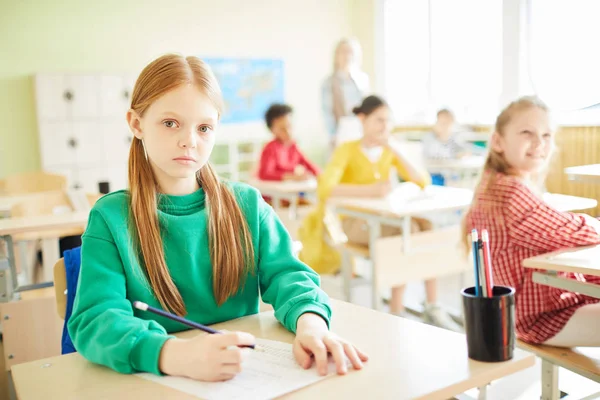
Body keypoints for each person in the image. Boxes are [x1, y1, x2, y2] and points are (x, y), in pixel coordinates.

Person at [68, 54, 368, 382]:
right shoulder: (111, 217)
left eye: (204, 127)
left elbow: (289, 277)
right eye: (170, 123)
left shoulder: (247, 205)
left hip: (240, 377)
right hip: (156, 380)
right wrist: (172, 354)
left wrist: (311, 323)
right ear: (136, 124)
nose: (189, 140)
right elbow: (96, 318)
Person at [300, 95, 461, 331]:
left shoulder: (388, 151)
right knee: (405, 231)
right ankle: (396, 309)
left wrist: (394, 148)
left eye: (388, 121)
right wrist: (370, 191)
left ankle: (432, 304)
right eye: (378, 120)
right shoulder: (348, 149)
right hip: (351, 223)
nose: (384, 127)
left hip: (381, 219)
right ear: (362, 119)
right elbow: (325, 188)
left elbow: (422, 181)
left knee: (426, 226)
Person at [463, 96, 600, 347]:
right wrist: (593, 223)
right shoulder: (510, 192)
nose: (539, 143)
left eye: (547, 135)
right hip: (542, 317)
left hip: (548, 303)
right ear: (497, 141)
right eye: (527, 132)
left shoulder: (497, 182)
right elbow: (584, 233)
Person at [321, 38, 369, 149]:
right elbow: (326, 111)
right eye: (343, 52)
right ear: (336, 55)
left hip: (360, 129)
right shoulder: (329, 82)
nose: (347, 56)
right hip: (340, 130)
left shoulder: (362, 80)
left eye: (350, 51)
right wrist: (332, 135)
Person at [258, 103, 319, 182]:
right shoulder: (270, 148)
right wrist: (292, 177)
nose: (288, 132)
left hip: (288, 191)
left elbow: (311, 166)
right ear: (272, 130)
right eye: (282, 129)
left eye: (289, 126)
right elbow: (265, 174)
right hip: (274, 192)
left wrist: (320, 176)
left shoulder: (294, 147)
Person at [421, 109, 470, 186]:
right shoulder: (429, 138)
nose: (444, 126)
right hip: (434, 175)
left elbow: (464, 151)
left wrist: (460, 155)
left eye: (447, 123)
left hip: (451, 175)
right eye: (442, 123)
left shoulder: (453, 138)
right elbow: (429, 157)